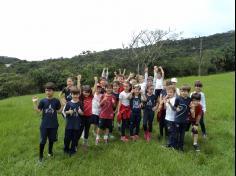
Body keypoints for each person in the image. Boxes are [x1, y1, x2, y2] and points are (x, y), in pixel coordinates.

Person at [32, 82, 61, 162]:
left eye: (50, 90)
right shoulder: (43, 101)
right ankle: (40, 156)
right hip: (44, 125)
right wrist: (34, 103)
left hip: (54, 125)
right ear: (45, 91)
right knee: (42, 141)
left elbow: (59, 112)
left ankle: (50, 152)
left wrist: (63, 104)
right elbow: (38, 111)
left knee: (51, 139)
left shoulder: (56, 101)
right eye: (46, 90)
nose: (48, 92)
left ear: (53, 91)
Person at [63, 86, 84, 155]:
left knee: (75, 138)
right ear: (71, 94)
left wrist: (80, 112)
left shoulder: (80, 103)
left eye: (77, 94)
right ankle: (66, 148)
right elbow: (65, 112)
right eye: (73, 94)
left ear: (79, 94)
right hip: (69, 124)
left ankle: (73, 149)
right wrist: (68, 112)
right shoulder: (68, 103)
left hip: (77, 124)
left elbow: (83, 113)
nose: (75, 96)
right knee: (67, 138)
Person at [172, 85, 192, 151]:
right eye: (182, 91)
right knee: (176, 134)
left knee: (182, 135)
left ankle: (181, 147)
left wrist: (192, 109)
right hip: (177, 120)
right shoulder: (178, 98)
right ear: (180, 91)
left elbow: (190, 108)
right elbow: (174, 107)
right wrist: (176, 108)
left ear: (188, 92)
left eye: (186, 91)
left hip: (185, 121)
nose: (184, 92)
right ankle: (175, 147)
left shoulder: (189, 99)